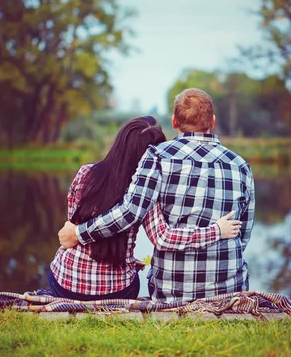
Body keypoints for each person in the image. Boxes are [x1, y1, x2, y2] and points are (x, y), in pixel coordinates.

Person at [59, 89, 255, 303]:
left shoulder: (157, 157)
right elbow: (243, 235)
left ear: (174, 121)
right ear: (213, 121)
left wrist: (79, 233)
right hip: (229, 288)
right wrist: (217, 235)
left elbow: (131, 212)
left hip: (171, 291)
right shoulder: (241, 166)